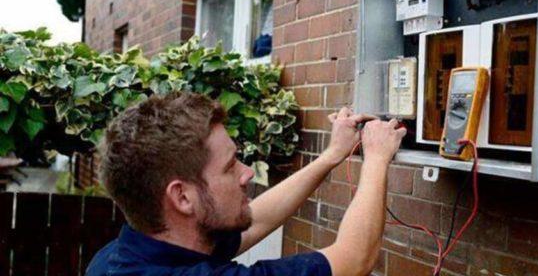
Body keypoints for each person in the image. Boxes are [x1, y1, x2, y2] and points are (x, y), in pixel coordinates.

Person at [86, 91, 405, 276]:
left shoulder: (126, 255)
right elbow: (354, 258)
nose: (247, 173)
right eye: (229, 167)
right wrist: (377, 157)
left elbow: (255, 222)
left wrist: (331, 156)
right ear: (182, 197)